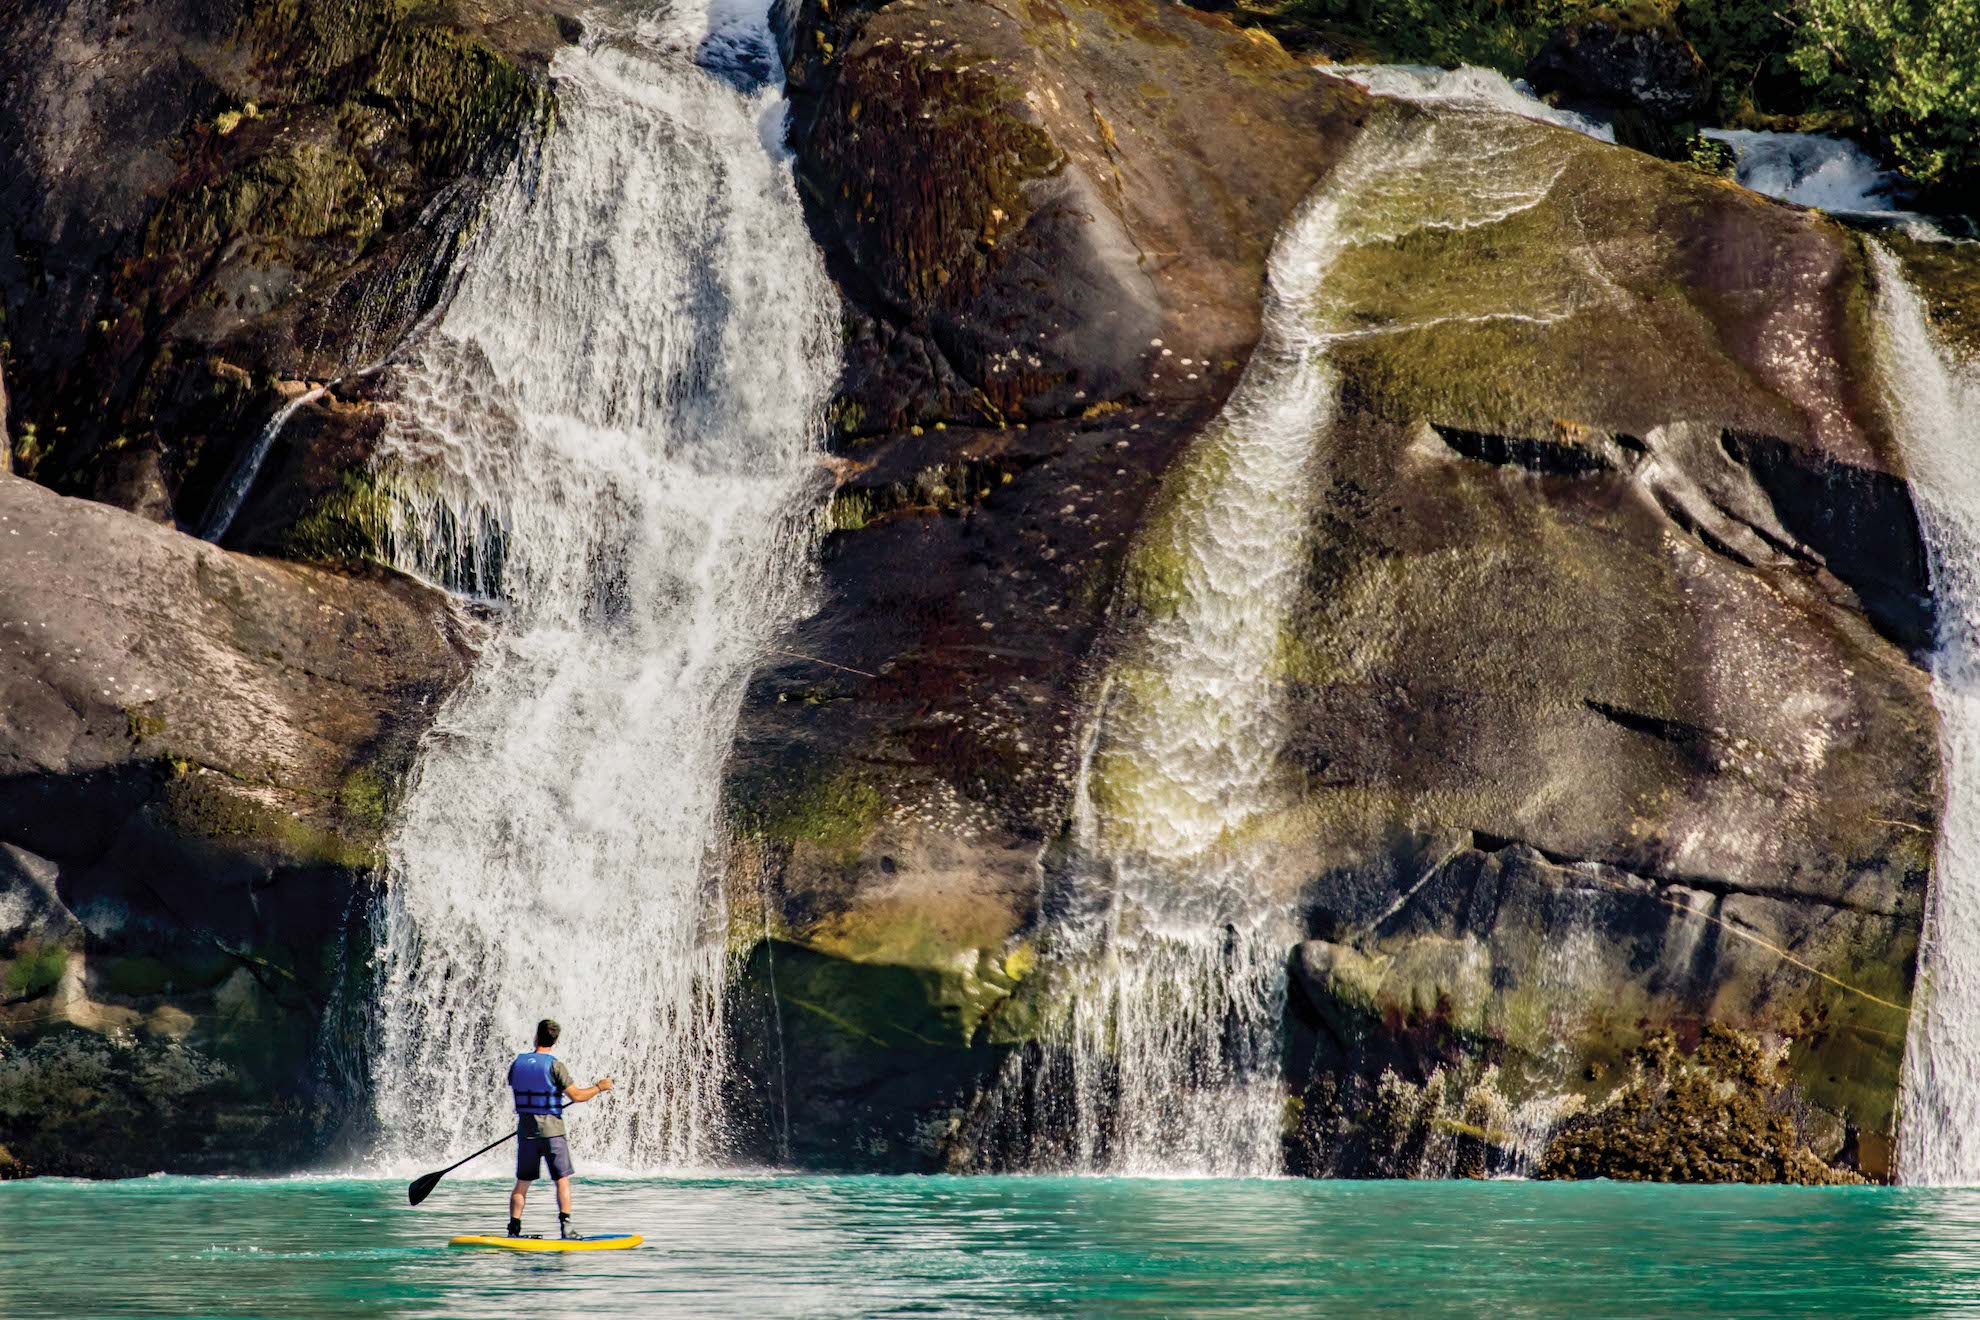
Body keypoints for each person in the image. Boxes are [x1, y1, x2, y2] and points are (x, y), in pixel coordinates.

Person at [505, 1018, 613, 1239]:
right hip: (553, 1132)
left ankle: (514, 1229)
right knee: (561, 1180)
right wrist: (600, 1087)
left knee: (522, 1183)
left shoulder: (517, 1064)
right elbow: (577, 1096)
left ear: (536, 1037)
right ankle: (566, 1227)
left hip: (526, 1133)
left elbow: (515, 1084)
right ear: (555, 1041)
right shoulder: (555, 1066)